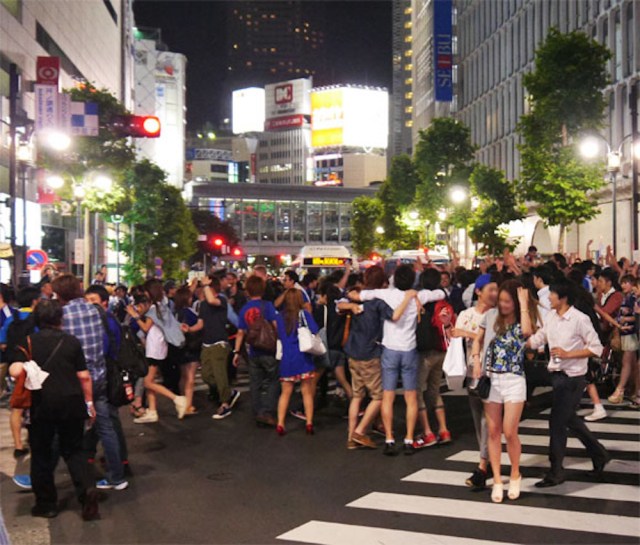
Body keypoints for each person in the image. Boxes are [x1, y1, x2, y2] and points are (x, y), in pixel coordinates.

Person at [9, 299, 99, 520]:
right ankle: (86, 489)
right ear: (61, 318)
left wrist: (19, 368)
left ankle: (46, 504)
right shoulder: (72, 342)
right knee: (75, 450)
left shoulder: (28, 342)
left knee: (41, 453)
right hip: (72, 402)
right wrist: (89, 403)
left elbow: (14, 371)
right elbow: (84, 376)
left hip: (42, 405)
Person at [348, 264, 446, 456]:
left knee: (388, 396)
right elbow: (442, 293)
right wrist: (417, 295)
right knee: (411, 397)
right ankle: (409, 439)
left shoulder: (386, 294)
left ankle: (390, 439)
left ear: (393, 279)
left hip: (389, 351)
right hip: (409, 350)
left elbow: (357, 296)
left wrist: (351, 300)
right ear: (412, 280)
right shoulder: (419, 295)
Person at [527, 280, 610, 487]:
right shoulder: (552, 318)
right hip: (556, 376)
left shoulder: (579, 319)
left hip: (573, 378)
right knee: (570, 420)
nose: (549, 298)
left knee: (557, 423)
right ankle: (598, 453)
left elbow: (596, 348)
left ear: (562, 298)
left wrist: (568, 354)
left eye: (552, 294)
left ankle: (556, 472)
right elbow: (539, 338)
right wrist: (519, 344)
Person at [51, 274, 128, 491]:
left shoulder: (61, 315)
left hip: (74, 381)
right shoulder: (96, 310)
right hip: (98, 376)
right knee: (106, 428)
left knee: (59, 429)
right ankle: (117, 477)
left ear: (59, 294)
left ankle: (44, 475)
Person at [339, 265, 416, 450]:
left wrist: (350, 304)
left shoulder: (359, 296)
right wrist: (408, 297)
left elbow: (339, 303)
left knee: (357, 396)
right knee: (379, 396)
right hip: (370, 353)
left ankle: (351, 437)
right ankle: (360, 430)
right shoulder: (380, 300)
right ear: (383, 282)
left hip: (352, 351)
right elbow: (395, 316)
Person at [472, 280, 536, 503]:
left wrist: (523, 304)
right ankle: (498, 479)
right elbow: (477, 341)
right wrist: (476, 361)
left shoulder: (522, 319)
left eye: (508, 301)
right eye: (501, 300)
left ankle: (515, 473)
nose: (503, 305)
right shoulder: (490, 317)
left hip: (515, 378)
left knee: (510, 431)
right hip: (492, 379)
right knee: (492, 431)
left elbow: (527, 332)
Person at [453, 273, 498, 490]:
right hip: (472, 370)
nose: (495, 293)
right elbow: (454, 332)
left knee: (487, 420)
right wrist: (472, 334)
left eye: (496, 289)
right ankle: (487, 458)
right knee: (478, 417)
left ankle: (482, 466)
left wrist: (470, 334)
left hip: (492, 372)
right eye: (491, 289)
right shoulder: (466, 314)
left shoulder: (499, 314)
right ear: (479, 292)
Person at [185, 275, 239, 419]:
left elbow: (211, 300)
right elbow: (201, 323)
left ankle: (225, 404)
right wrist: (189, 329)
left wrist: (206, 285)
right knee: (206, 376)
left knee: (220, 374)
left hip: (219, 343)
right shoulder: (203, 305)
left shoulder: (221, 300)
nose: (201, 290)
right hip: (206, 344)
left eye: (205, 287)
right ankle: (228, 393)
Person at [129, 294, 187, 423]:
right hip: (157, 347)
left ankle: (177, 399)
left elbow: (145, 327)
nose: (138, 309)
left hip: (155, 348)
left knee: (148, 382)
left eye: (138, 306)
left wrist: (134, 315)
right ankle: (152, 411)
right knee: (150, 380)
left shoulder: (153, 310)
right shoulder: (160, 308)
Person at [414, 268, 454, 448]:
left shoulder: (420, 300)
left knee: (416, 391)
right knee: (434, 389)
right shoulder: (443, 299)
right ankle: (444, 429)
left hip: (424, 352)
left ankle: (428, 431)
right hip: (441, 350)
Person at [233, 276, 280, 427]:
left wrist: (236, 352)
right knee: (273, 380)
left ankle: (258, 411)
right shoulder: (268, 306)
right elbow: (276, 326)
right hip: (269, 349)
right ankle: (268, 411)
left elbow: (240, 332)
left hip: (253, 350)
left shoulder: (244, 309)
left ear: (248, 290)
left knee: (255, 382)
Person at [275, 288, 319, 436]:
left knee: (285, 392)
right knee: (307, 392)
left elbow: (279, 335)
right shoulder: (303, 314)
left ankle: (280, 423)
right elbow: (315, 330)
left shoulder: (280, 317)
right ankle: (309, 423)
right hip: (303, 358)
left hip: (287, 359)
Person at [587, 269, 623, 421]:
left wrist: (595, 309)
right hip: (601, 329)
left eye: (601, 281)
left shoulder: (616, 296)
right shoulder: (602, 295)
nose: (598, 284)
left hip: (609, 332)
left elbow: (605, 312)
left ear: (608, 283)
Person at [608, 274, 638, 404]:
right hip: (627, 333)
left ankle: (620, 390)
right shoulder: (627, 298)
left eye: (626, 283)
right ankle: (633, 391)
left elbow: (635, 316)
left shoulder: (633, 298)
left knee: (627, 362)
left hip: (631, 332)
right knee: (632, 364)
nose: (623, 285)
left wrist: (624, 319)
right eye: (623, 283)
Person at [174, 286, 200, 415]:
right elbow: (198, 327)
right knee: (190, 377)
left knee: (183, 376)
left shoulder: (175, 313)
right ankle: (188, 405)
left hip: (179, 347)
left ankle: (183, 401)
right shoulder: (189, 313)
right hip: (191, 347)